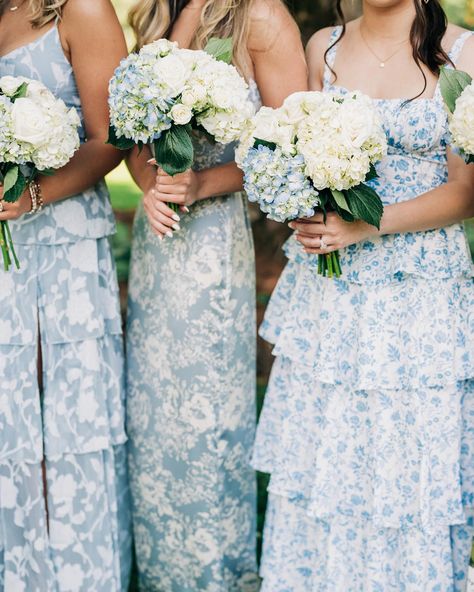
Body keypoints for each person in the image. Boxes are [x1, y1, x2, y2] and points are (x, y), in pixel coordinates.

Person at [253, 0, 474, 589]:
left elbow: (465, 192)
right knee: (329, 450)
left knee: (405, 457)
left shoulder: (463, 51)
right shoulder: (322, 45)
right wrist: (302, 203)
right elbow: (291, 155)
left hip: (420, 295)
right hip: (331, 294)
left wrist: (367, 223)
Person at [125, 0, 307, 589]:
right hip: (155, 243)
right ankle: (160, 573)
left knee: (205, 420)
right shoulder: (160, 14)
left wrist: (202, 180)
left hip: (209, 250)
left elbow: (288, 151)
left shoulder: (262, 18)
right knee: (153, 416)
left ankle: (214, 574)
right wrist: (149, 184)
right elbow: (130, 132)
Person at [0, 1, 132, 589]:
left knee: (60, 418)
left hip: (62, 248)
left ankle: (73, 575)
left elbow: (113, 138)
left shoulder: (81, 10)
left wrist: (33, 195)